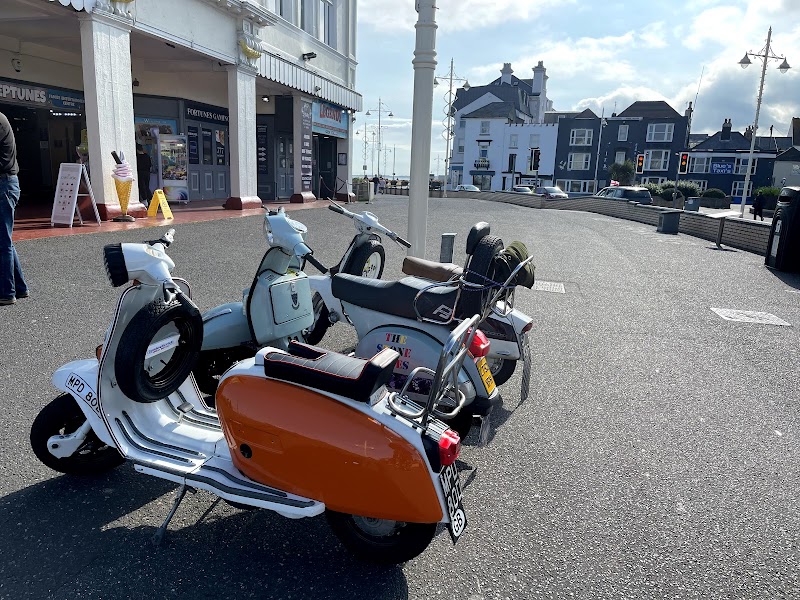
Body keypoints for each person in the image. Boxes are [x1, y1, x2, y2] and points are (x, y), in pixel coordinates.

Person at [0, 111, 28, 306]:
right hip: (6, 184)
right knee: (4, 239)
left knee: (2, 242)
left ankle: (6, 293)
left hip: (3, 185)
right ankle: (19, 288)